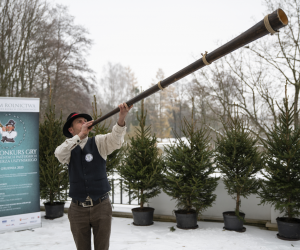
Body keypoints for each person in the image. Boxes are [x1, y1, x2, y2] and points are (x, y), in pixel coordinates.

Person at [54, 103, 132, 250]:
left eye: (85, 120)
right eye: (79, 121)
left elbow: (116, 140)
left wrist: (122, 118)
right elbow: (58, 154)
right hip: (77, 209)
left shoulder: (98, 142)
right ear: (71, 130)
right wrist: (80, 136)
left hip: (101, 206)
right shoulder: (68, 147)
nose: (84, 123)